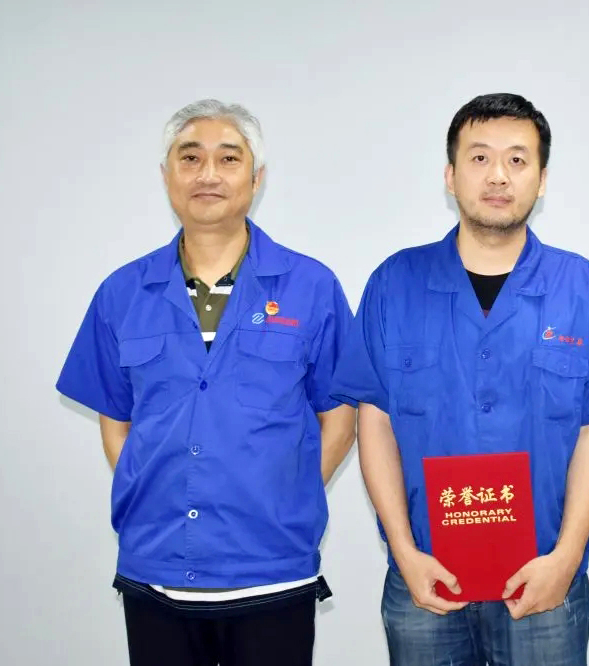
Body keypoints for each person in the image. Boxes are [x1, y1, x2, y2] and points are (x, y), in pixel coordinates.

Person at [329, 93, 589, 665]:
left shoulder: (583, 290)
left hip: (544, 577)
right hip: (424, 574)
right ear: (450, 176)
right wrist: (403, 550)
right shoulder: (395, 283)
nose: (498, 175)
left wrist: (566, 559)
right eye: (479, 158)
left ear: (542, 179)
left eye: (517, 159)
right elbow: (373, 422)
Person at [56, 99, 356, 666]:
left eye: (228, 158)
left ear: (256, 178)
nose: (208, 174)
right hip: (156, 571)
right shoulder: (123, 293)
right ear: (167, 175)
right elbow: (116, 421)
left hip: (273, 571)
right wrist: (157, 492)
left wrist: (283, 494)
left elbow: (340, 417)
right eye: (190, 158)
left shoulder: (311, 286)